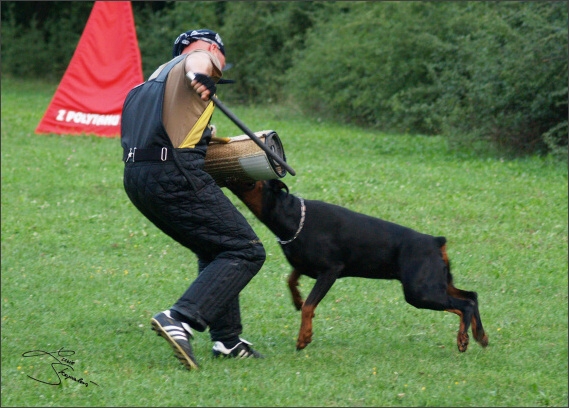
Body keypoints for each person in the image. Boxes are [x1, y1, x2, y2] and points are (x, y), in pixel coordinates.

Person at [120, 29, 266, 370]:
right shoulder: (199, 60)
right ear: (216, 49)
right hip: (173, 174)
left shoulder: (144, 88)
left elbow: (162, 133)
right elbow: (201, 59)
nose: (219, 66)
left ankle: (227, 341)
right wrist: (202, 71)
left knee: (216, 246)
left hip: (137, 179)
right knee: (245, 249)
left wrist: (208, 136)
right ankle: (180, 318)